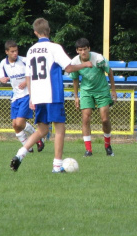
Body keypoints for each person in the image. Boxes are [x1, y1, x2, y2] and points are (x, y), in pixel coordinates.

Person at [10, 18, 92, 172]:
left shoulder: (30, 51)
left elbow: (28, 76)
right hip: (52, 94)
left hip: (38, 95)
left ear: (35, 32)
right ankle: (57, 166)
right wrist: (85, 64)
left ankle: (20, 154)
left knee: (42, 130)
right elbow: (68, 68)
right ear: (49, 30)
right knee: (60, 129)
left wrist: (32, 97)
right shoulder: (54, 47)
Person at [69, 38, 117, 157]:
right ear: (77, 51)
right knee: (86, 118)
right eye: (80, 50)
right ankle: (88, 150)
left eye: (85, 49)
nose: (83, 52)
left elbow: (110, 72)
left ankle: (107, 145)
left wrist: (113, 90)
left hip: (102, 90)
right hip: (86, 91)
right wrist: (76, 96)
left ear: (89, 49)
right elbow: (75, 79)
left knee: (104, 119)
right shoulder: (75, 62)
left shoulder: (98, 59)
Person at [0, 40, 45, 153]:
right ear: (6, 52)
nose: (15, 53)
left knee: (20, 123)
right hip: (15, 96)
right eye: (12, 51)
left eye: (16, 51)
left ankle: (38, 138)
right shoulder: (4, 63)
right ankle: (29, 148)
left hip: (27, 95)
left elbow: (36, 74)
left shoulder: (24, 61)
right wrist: (1, 79)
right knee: (15, 125)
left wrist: (27, 82)